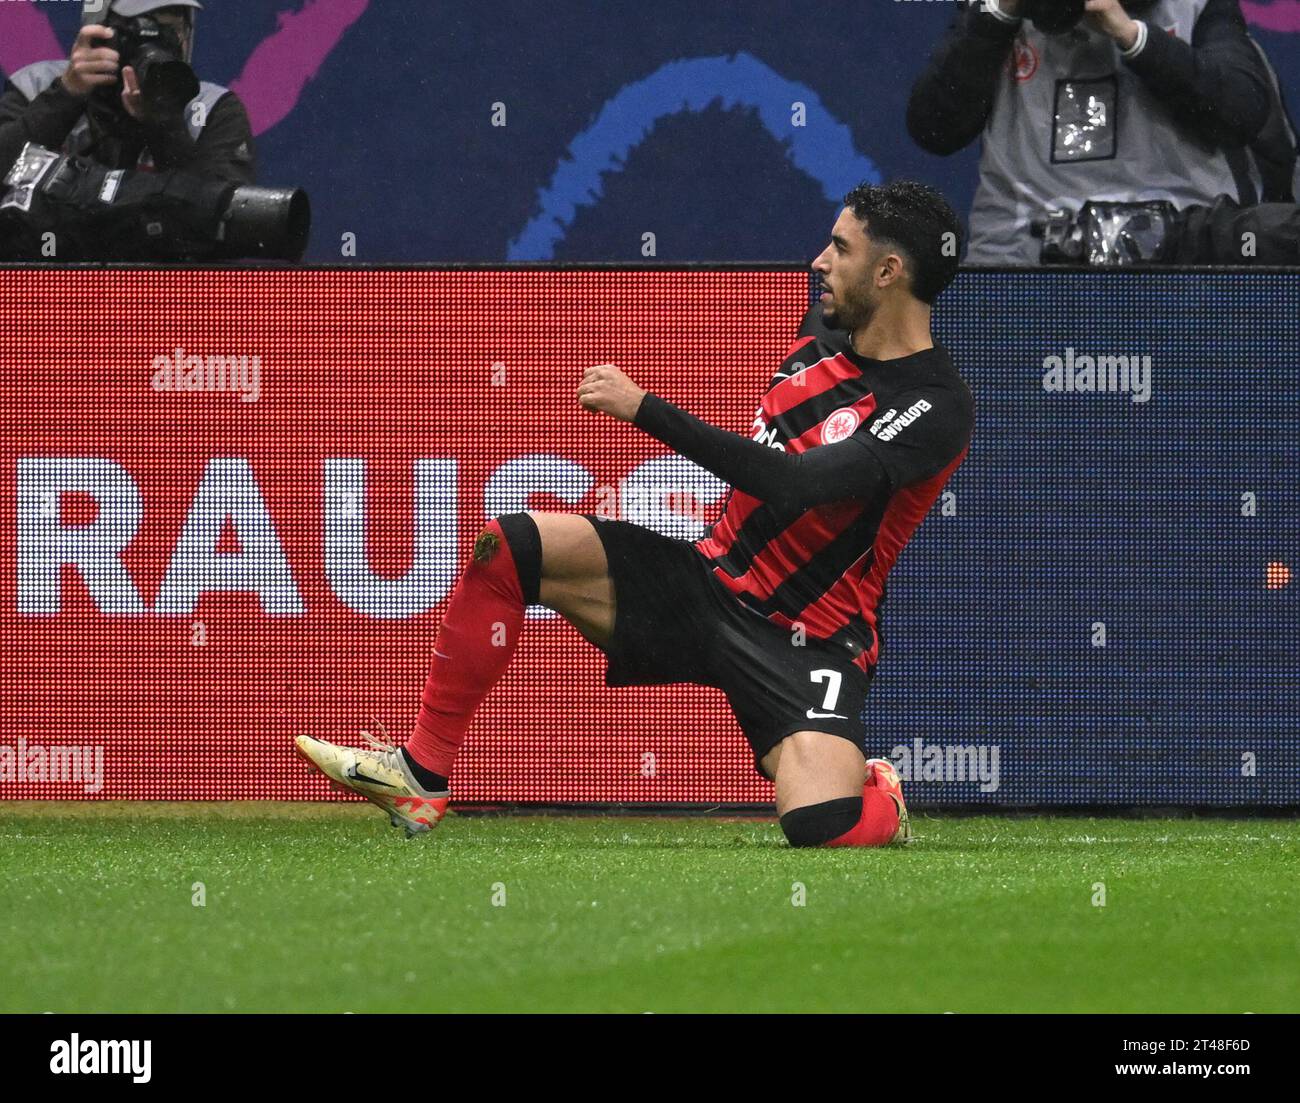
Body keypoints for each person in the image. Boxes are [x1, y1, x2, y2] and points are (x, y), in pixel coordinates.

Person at [295, 180, 975, 849]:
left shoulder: (935, 408)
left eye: (840, 247)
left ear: (888, 272)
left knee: (820, 825)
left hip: (808, 640)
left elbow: (791, 483)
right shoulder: (825, 324)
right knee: (509, 546)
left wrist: (643, 408)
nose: (818, 262)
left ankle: (880, 790)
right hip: (703, 582)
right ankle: (421, 774)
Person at [907, 0, 1276, 264]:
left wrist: (1133, 37)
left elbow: (1243, 114)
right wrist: (997, 16)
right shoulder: (994, 12)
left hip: (1176, 248)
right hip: (1022, 254)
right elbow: (935, 129)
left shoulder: (1195, 6)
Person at [0, 0, 254, 188]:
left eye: (172, 30)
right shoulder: (36, 85)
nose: (159, 46)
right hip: (50, 254)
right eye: (143, 30)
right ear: (98, 31)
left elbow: (223, 217)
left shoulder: (212, 108)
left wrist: (164, 123)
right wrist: (66, 95)